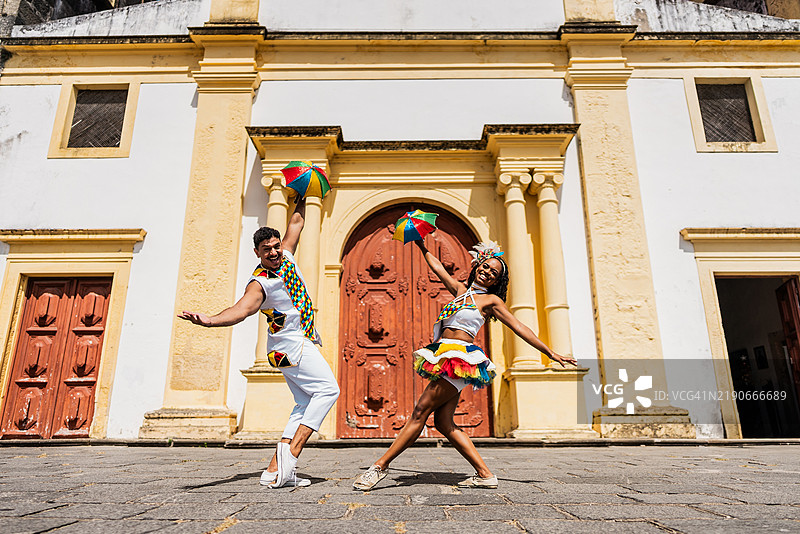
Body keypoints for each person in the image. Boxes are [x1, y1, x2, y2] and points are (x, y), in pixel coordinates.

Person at [353, 238, 576, 491]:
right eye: (486, 267)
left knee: (419, 411)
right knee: (443, 423)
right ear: (478, 265)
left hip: (460, 359)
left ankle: (379, 467)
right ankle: (485, 474)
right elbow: (438, 267)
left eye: (494, 273)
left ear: (496, 281)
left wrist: (550, 352)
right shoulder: (460, 291)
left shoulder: (491, 302)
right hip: (444, 354)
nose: (487, 272)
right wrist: (420, 244)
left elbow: (519, 327)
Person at [179, 197, 339, 489]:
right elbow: (241, 310)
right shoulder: (260, 282)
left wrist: (303, 195)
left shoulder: (287, 256)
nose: (275, 252)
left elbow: (296, 223)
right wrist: (210, 320)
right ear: (257, 252)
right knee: (329, 390)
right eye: (267, 250)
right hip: (290, 345)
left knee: (304, 403)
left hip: (291, 345)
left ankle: (273, 470)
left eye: (276, 247)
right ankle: (291, 456)